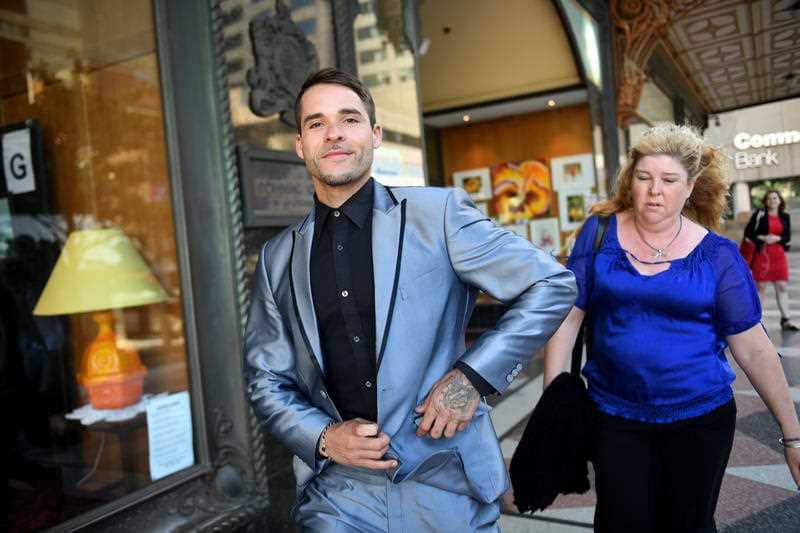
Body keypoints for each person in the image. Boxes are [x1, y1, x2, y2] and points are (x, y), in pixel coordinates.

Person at [243, 68, 577, 532]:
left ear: (375, 134)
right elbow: (266, 379)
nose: (334, 133)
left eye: (350, 119)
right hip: (339, 493)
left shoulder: (437, 215)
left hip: (445, 481)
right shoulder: (277, 257)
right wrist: (321, 437)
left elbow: (552, 284)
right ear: (300, 144)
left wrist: (472, 378)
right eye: (316, 123)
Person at [542, 123, 800, 533]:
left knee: (689, 524)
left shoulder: (718, 256)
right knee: (619, 522)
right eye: (644, 178)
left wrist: (793, 436)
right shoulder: (599, 233)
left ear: (691, 185)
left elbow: (753, 349)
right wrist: (553, 399)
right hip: (614, 414)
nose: (654, 190)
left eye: (668, 180)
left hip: (699, 420)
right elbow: (569, 316)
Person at [744, 189, 799, 331]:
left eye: (775, 198)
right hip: (762, 254)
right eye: (769, 198)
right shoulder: (759, 214)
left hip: (778, 255)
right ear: (765, 201)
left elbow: (787, 237)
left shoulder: (785, 216)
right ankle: (756, 321)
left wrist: (778, 238)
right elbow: (748, 233)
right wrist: (763, 237)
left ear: (780, 200)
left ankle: (786, 319)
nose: (772, 201)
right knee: (760, 287)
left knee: (782, 287)